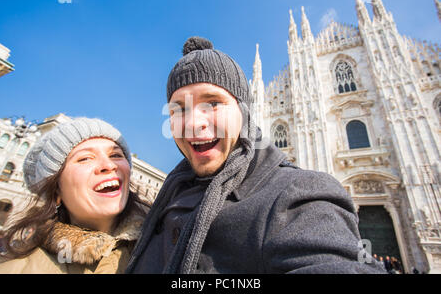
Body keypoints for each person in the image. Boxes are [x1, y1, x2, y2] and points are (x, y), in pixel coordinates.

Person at [125, 36, 386, 274]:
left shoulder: (295, 195)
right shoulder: (166, 197)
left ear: (245, 112)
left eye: (213, 103)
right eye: (178, 109)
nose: (193, 123)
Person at [0, 117, 149, 274]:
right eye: (85, 158)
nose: (109, 165)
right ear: (56, 191)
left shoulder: (165, 245)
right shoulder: (11, 269)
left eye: (116, 155)